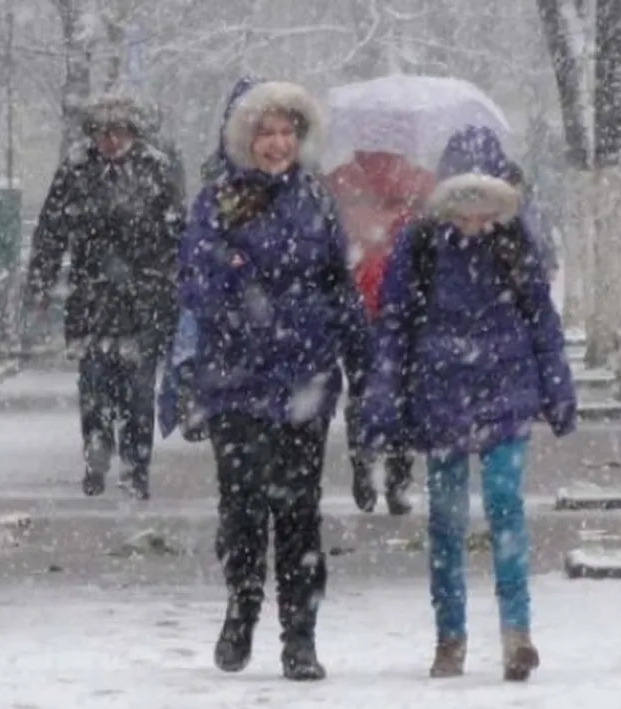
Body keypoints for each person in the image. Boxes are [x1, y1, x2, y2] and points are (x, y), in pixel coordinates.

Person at [171, 76, 371, 680]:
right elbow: (196, 285)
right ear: (244, 138)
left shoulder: (316, 199)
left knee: (299, 513)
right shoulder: (217, 201)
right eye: (266, 132)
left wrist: (365, 366)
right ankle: (242, 607)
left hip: (305, 378)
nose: (277, 144)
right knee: (242, 507)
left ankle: (300, 637)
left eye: (287, 132)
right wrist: (239, 285)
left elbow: (339, 286)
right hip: (236, 383)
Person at [360, 125, 577, 682]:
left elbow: (541, 319)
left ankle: (517, 636)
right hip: (442, 398)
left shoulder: (516, 242)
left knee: (506, 506)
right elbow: (395, 327)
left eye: (485, 201)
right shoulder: (422, 243)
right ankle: (449, 637)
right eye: (464, 200)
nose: (473, 216)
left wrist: (557, 388)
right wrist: (383, 402)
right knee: (447, 520)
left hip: (506, 393)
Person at [25, 95, 185, 501]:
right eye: (102, 132)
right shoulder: (76, 171)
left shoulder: (156, 169)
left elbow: (177, 233)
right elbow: (50, 231)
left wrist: (176, 281)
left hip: (142, 300)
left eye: (118, 132)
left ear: (133, 132)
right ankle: (96, 452)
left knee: (138, 390)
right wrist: (41, 283)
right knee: (95, 386)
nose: (110, 140)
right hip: (92, 298)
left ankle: (136, 466)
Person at [325, 150, 436, 515]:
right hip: (385, 307)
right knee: (394, 393)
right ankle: (392, 476)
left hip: (375, 305)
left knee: (369, 393)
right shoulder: (417, 184)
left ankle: (371, 465)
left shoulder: (342, 181)